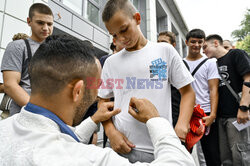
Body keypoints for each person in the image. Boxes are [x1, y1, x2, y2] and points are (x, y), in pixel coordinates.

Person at [0, 34, 195, 165]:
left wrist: (94, 120)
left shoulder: (6, 129)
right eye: (97, 85)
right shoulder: (88, 159)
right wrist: (156, 120)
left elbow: (61, 138)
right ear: (78, 91)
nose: (99, 94)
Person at [98, 0, 195, 163]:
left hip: (159, 147)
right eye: (114, 35)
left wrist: (182, 125)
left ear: (137, 18)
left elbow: (188, 92)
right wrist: (110, 132)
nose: (121, 38)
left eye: (124, 30)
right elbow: (102, 101)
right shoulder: (111, 62)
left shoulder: (164, 51)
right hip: (121, 148)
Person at [203, 34, 250, 166]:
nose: (203, 50)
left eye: (205, 46)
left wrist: (244, 107)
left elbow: (248, 78)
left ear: (216, 43)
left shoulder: (236, 54)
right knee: (226, 158)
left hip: (237, 115)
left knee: (241, 155)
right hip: (221, 118)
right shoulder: (213, 64)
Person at [1, 3, 54, 116]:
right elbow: (10, 85)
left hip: (49, 117)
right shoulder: (18, 46)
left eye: (49, 24)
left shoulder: (56, 51)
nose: (45, 28)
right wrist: (38, 111)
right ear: (29, 21)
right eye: (40, 23)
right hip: (22, 117)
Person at [184, 29, 221, 166]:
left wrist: (212, 115)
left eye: (200, 42)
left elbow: (213, 89)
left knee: (211, 153)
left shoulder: (210, 63)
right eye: (193, 41)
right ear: (186, 42)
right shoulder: (180, 63)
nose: (196, 45)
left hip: (204, 113)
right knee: (184, 152)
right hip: (186, 113)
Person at [157, 31, 181, 127]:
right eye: (158, 42)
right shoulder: (157, 64)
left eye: (164, 42)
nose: (160, 45)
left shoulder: (180, 64)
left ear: (173, 45)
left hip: (176, 115)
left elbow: (187, 94)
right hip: (159, 115)